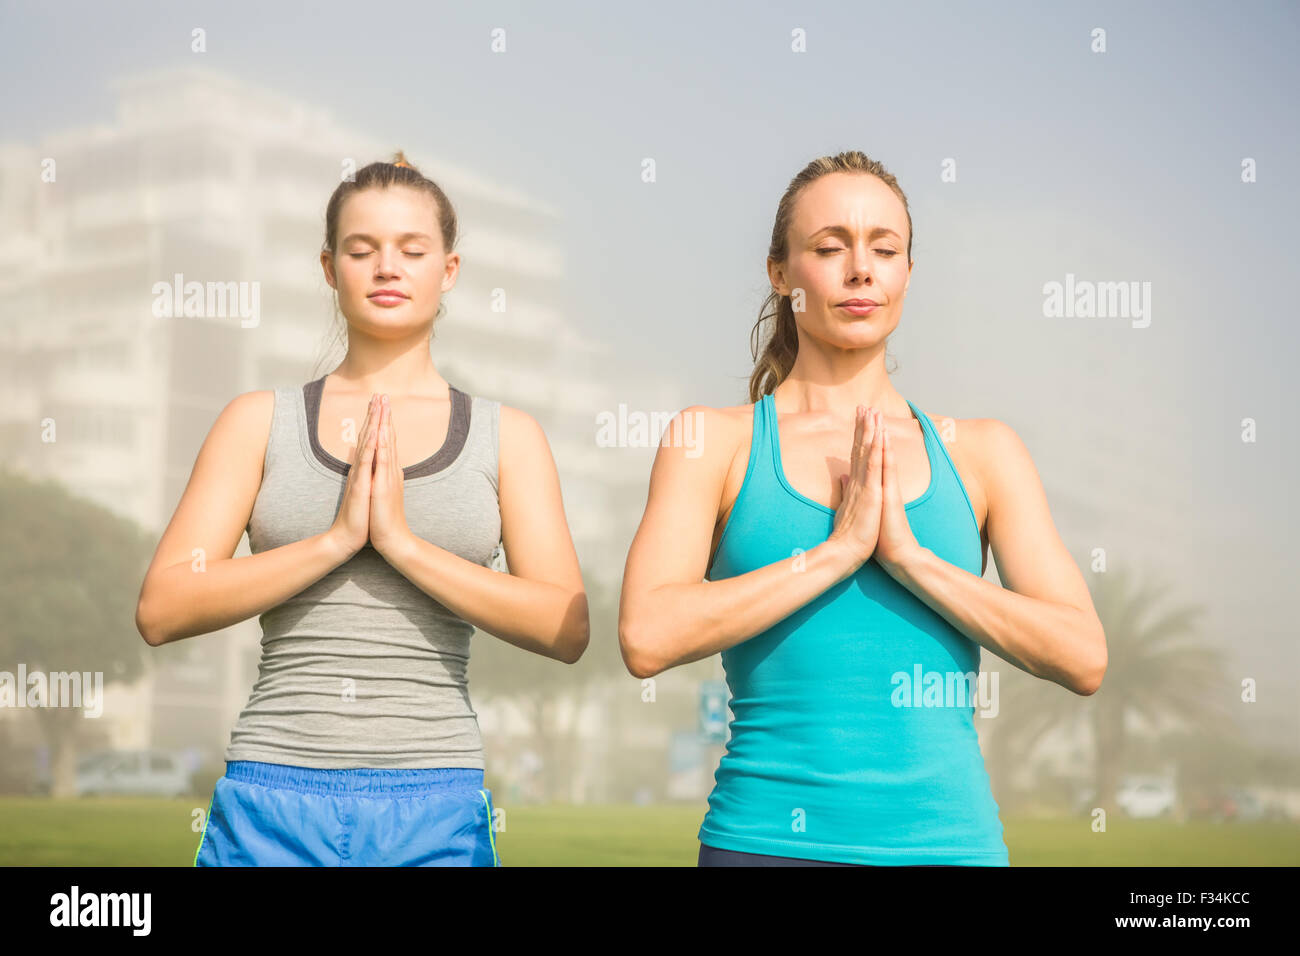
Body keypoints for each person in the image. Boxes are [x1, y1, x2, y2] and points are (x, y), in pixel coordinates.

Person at [619, 150, 1107, 866]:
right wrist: (834, 554)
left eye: (885, 248)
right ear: (779, 272)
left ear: (908, 272)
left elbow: (1082, 656)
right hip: (763, 843)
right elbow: (646, 636)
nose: (861, 270)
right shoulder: (712, 442)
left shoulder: (983, 453)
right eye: (829, 247)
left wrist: (910, 560)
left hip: (951, 848)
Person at [135, 151, 589, 866]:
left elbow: (565, 626)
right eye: (361, 249)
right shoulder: (257, 421)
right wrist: (337, 540)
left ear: (450, 271)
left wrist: (404, 544)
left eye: (412, 250)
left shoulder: (509, 437)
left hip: (434, 802)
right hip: (272, 797)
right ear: (328, 269)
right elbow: (163, 608)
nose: (387, 267)